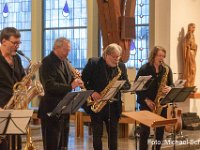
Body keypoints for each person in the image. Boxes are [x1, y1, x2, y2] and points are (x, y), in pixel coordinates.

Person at [82, 43, 131, 150]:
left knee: (113, 135)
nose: (116, 60)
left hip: (114, 106)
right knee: (97, 134)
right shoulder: (93, 63)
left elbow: (127, 85)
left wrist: (118, 86)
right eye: (114, 57)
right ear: (106, 55)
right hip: (97, 104)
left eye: (118, 57)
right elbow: (82, 81)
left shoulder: (121, 66)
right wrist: (92, 92)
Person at [38, 37, 84, 150]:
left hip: (64, 107)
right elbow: (49, 86)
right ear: (56, 48)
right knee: (52, 145)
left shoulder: (65, 62)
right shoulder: (47, 62)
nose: (68, 53)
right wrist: (70, 86)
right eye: (65, 50)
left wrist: (76, 79)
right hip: (51, 108)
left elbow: (67, 80)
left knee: (63, 145)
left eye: (69, 50)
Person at [135, 46, 173, 150]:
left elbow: (172, 85)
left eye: (163, 56)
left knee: (160, 131)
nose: (161, 58)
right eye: (159, 55)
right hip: (146, 104)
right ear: (153, 56)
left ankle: (157, 148)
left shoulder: (166, 69)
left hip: (161, 104)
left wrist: (170, 88)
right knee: (144, 131)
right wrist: (146, 100)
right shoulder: (144, 69)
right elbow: (137, 88)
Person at [0, 27, 24, 150]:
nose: (17, 46)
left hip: (15, 108)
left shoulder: (16, 58)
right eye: (14, 43)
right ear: (4, 41)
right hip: (1, 108)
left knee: (16, 145)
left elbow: (22, 79)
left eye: (18, 43)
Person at [183, 23, 197, 87]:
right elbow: (189, 44)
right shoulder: (189, 34)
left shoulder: (191, 35)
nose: (194, 29)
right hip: (190, 54)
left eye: (194, 27)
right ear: (190, 27)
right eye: (193, 27)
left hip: (192, 53)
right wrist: (194, 46)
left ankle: (191, 84)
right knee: (191, 69)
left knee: (192, 69)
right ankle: (189, 84)